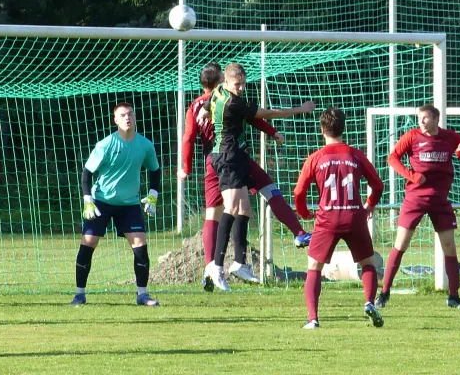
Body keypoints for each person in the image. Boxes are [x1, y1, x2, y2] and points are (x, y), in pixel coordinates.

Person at [179, 62, 312, 292]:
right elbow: (258, 115)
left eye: (242, 84)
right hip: (226, 158)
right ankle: (216, 266)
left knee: (234, 210)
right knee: (234, 207)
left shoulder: (204, 101)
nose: (240, 87)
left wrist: (187, 166)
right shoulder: (230, 101)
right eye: (235, 83)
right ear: (222, 80)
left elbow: (189, 137)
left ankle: (235, 262)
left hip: (225, 158)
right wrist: (297, 111)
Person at [376, 104, 460, 309]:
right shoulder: (412, 136)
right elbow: (392, 158)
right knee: (401, 243)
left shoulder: (449, 137)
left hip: (440, 199)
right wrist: (412, 176)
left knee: (449, 245)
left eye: (426, 118)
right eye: (420, 118)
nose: (421, 122)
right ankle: (384, 292)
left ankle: (454, 296)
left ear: (436, 119)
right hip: (415, 198)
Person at [294, 107, 385, 329]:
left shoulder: (316, 158)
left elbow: (298, 192)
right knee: (368, 263)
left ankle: (313, 318)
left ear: (321, 129)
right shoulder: (356, 155)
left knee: (314, 267)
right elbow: (378, 185)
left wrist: (305, 213)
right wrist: (369, 205)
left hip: (327, 218)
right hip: (355, 215)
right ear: (344, 128)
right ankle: (369, 302)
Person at [70, 102, 161, 306]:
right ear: (115, 120)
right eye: (122, 115)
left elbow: (155, 170)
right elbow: (87, 173)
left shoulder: (145, 145)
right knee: (89, 241)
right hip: (102, 201)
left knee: (140, 245)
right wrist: (88, 201)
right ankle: (79, 294)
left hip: (129, 204)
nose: (127, 118)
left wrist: (153, 194)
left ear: (135, 117)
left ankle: (143, 295)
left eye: (130, 114)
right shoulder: (106, 144)